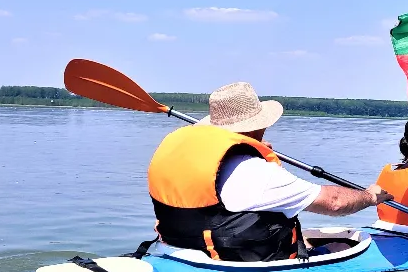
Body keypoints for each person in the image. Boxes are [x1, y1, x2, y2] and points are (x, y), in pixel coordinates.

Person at [146, 81, 393, 262]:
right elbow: (335, 203)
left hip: (180, 252)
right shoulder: (255, 172)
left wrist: (253, 151)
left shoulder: (186, 158)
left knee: (304, 239)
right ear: (259, 125)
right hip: (236, 265)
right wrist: (369, 196)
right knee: (341, 246)